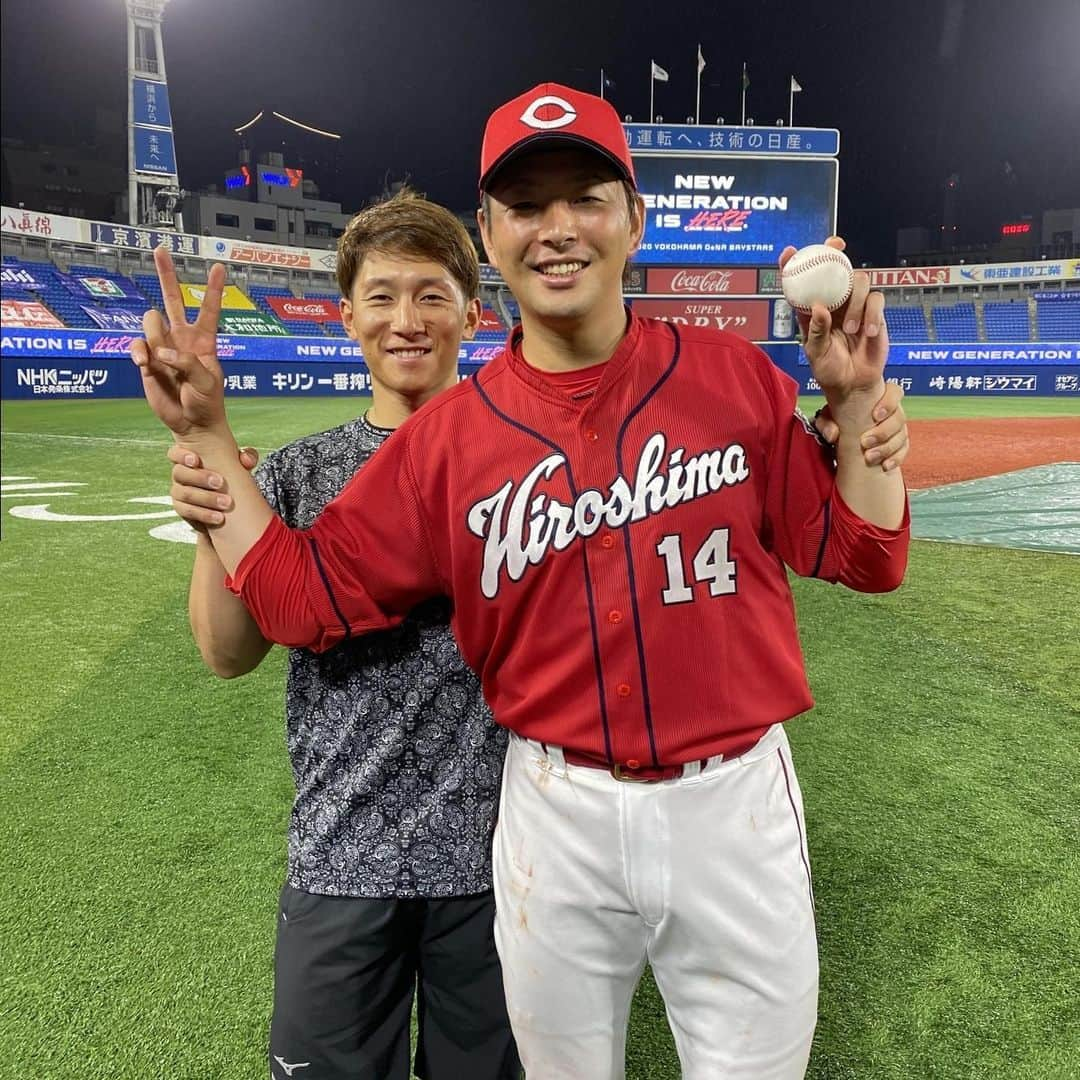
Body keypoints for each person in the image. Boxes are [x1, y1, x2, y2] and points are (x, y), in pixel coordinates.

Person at [134, 84, 910, 1079]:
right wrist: (204, 434)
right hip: (555, 812)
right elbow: (293, 597)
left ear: (634, 219)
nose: (556, 229)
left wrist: (855, 407)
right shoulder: (443, 448)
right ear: (490, 236)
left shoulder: (735, 378)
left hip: (736, 806)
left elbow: (865, 554)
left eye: (584, 196)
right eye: (524, 204)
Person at [151, 191, 521, 1080]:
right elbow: (227, 652)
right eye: (383, 296)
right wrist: (213, 507)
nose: (407, 320)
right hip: (342, 851)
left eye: (432, 295)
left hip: (507, 861)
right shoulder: (296, 471)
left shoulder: (522, 461)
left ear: (472, 314)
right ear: (347, 313)